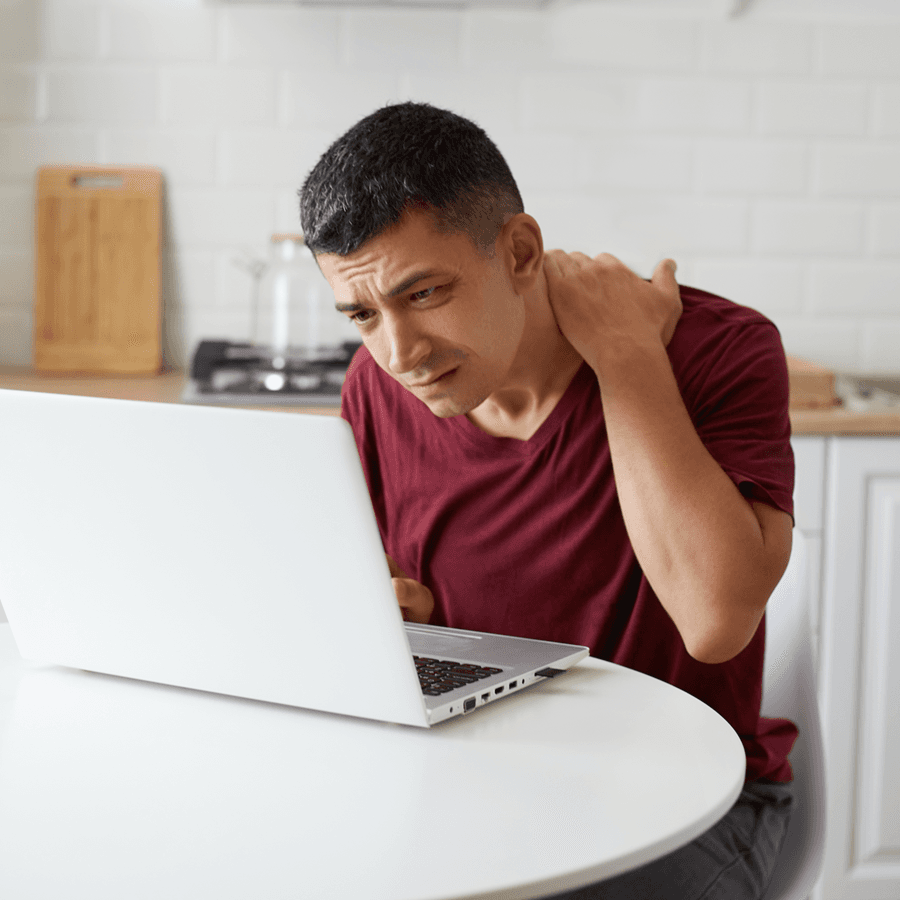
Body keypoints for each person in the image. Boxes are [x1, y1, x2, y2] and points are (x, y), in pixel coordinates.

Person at [299, 101, 797, 900]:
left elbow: (714, 619)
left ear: (522, 251)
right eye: (363, 314)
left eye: (424, 292)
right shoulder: (378, 387)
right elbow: (383, 601)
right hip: (475, 781)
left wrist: (627, 355)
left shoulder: (715, 349)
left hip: (684, 800)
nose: (399, 352)